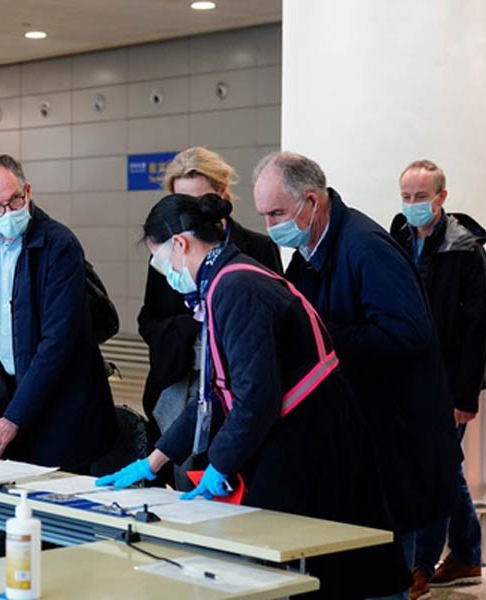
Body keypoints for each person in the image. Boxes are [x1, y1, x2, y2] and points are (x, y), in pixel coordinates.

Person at [98, 193, 409, 598]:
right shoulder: (223, 281)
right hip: (300, 434)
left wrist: (219, 467)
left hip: (312, 437)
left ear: (180, 243)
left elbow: (254, 397)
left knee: (325, 564)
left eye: (159, 261)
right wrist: (153, 461)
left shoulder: (237, 286)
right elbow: (214, 393)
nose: (164, 273)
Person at [253, 152, 462, 598]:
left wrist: (324, 334)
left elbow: (408, 333)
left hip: (395, 436)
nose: (271, 226)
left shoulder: (364, 246)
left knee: (386, 573)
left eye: (277, 213)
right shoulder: (310, 248)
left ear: (311, 201)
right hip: (356, 433)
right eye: (264, 215)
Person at [0, 154, 117, 473]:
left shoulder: (58, 244)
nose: (9, 212)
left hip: (63, 403)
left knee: (62, 511)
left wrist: (13, 418)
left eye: (15, 200)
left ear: (27, 190)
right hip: (17, 391)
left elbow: (57, 342)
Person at [136, 147, 282, 487]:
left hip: (233, 383)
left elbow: (255, 388)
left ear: (222, 196)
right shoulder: (166, 255)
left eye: (197, 202)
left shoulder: (240, 273)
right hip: (186, 378)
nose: (186, 214)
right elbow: (150, 319)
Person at [390, 159, 485, 595]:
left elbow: (478, 331)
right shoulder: (398, 237)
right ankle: (466, 552)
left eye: (420, 197)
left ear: (442, 197)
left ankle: (421, 567)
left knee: (436, 470)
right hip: (408, 380)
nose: (412, 205)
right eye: (406, 197)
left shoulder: (465, 250)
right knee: (439, 468)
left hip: (447, 384)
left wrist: (465, 397)